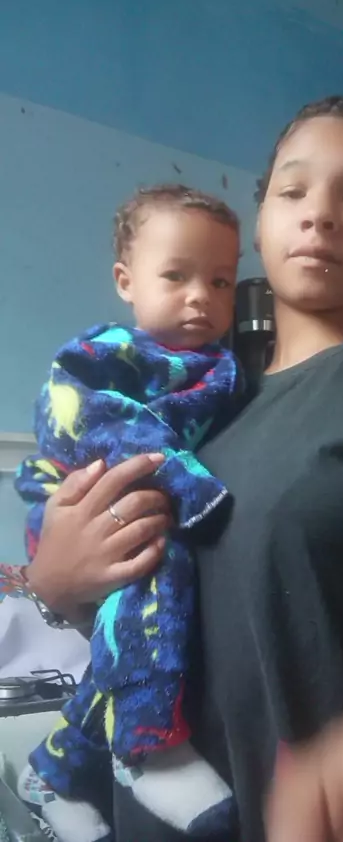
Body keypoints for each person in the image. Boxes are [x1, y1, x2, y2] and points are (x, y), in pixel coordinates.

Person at [6, 93, 343, 842]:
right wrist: (56, 583)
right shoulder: (197, 403)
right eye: (293, 191)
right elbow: (146, 607)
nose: (319, 214)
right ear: (260, 225)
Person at [13, 185, 241, 842]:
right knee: (158, 557)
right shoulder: (103, 354)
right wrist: (186, 484)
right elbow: (96, 423)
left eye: (221, 281)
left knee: (144, 629)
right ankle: (148, 745)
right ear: (126, 281)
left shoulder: (218, 367)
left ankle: (54, 771)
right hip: (74, 499)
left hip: (139, 500)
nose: (200, 297)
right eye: (176, 276)